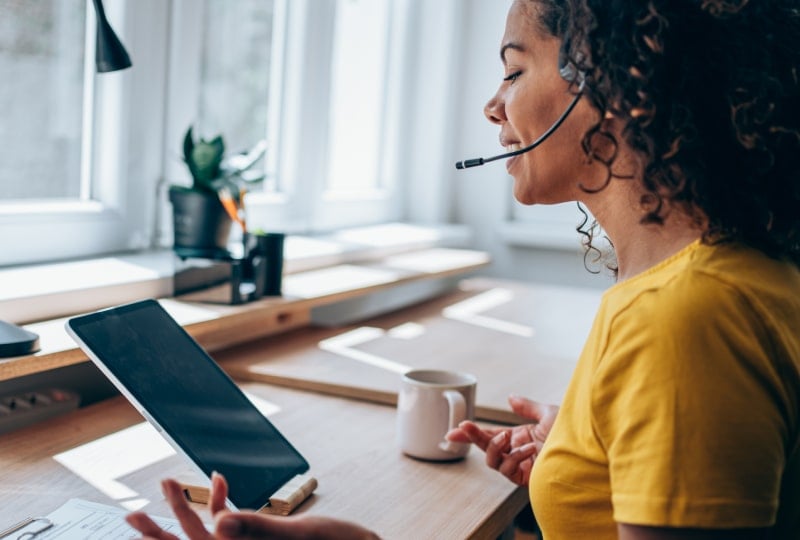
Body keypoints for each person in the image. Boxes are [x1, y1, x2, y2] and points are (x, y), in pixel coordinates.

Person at [128, 0, 800, 538]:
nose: (492, 105)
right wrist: (593, 445)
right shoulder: (718, 281)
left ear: (614, 81)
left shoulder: (683, 321)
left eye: (513, 71)